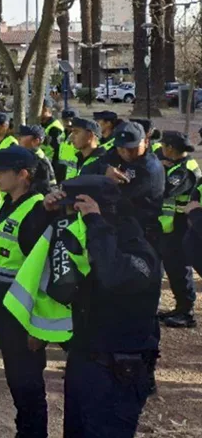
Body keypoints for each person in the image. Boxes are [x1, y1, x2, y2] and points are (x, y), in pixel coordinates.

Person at [59, 176, 162, 438]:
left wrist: (95, 222)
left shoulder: (138, 249)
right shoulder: (91, 240)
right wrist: (45, 213)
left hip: (118, 371)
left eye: (75, 212)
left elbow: (113, 275)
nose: (71, 220)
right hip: (85, 359)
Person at [0, 146, 50, 438]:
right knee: (16, 379)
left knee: (27, 383)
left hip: (24, 317)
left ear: (23, 175)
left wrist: (38, 328)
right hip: (6, 308)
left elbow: (44, 276)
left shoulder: (36, 212)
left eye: (2, 171)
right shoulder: (8, 202)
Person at [157, 131, 200, 328]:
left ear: (171, 148)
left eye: (164, 146)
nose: (162, 149)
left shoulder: (185, 169)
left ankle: (187, 311)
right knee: (173, 269)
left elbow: (166, 190)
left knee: (180, 269)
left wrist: (160, 170)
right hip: (172, 226)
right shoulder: (176, 165)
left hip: (182, 225)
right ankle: (179, 307)